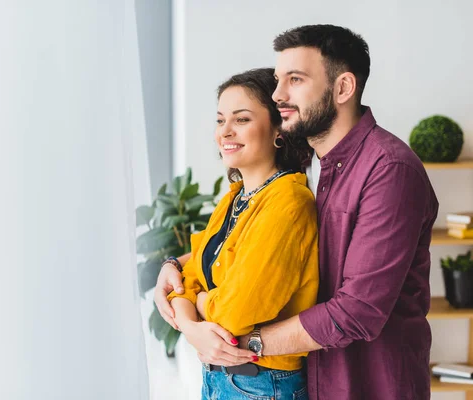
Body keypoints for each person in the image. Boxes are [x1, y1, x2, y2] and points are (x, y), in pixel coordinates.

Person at [155, 25, 439, 400]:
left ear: (343, 88)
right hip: (314, 381)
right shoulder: (311, 166)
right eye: (277, 80)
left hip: (366, 384)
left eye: (296, 79)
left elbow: (356, 311)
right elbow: (261, 248)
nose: (278, 95)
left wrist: (237, 340)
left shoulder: (388, 169)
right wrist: (175, 266)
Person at [166, 67, 318, 400]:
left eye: (242, 119)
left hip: (263, 384)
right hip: (223, 378)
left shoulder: (288, 203)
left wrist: (199, 301)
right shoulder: (235, 197)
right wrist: (192, 329)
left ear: (279, 128)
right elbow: (190, 274)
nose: (225, 132)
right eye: (220, 120)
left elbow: (236, 314)